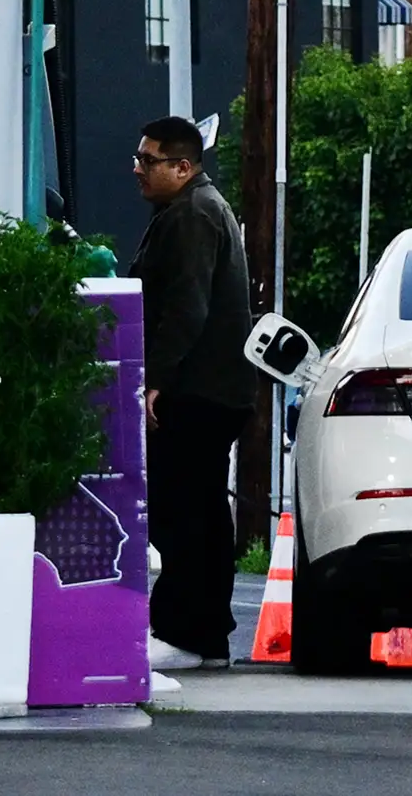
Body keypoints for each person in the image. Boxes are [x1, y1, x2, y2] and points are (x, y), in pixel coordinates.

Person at [131, 115, 264, 670]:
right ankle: (206, 636)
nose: (137, 170)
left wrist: (154, 379)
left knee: (181, 511)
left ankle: (186, 633)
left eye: (149, 161)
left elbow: (186, 307)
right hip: (219, 388)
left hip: (195, 388)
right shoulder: (206, 207)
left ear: (183, 167)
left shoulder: (190, 214)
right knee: (203, 511)